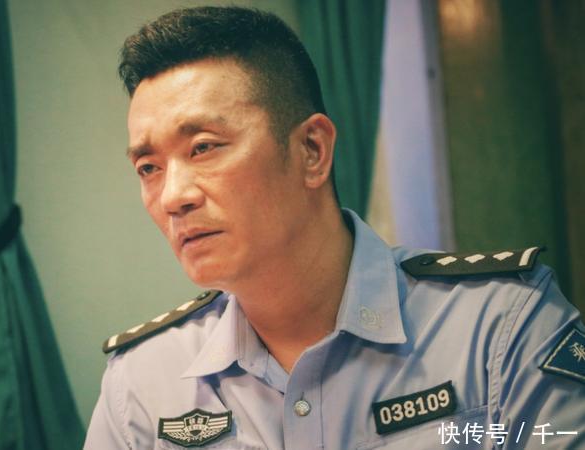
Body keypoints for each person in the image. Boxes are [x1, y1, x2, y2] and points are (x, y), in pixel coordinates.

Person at [84, 6, 584, 449]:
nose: (173, 197)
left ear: (312, 150)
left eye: (204, 148)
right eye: (148, 168)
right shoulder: (142, 384)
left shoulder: (501, 328)